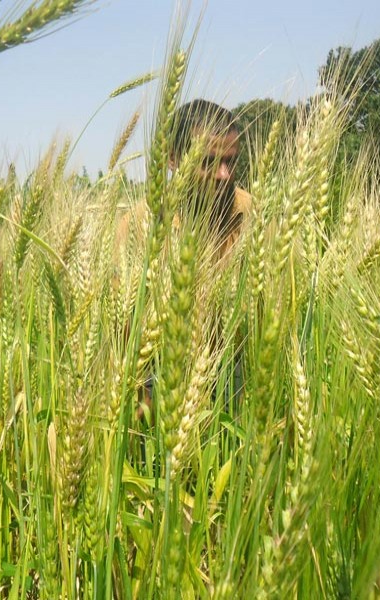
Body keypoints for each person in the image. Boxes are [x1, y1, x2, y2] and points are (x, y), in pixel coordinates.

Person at [114, 99, 252, 419]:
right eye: (209, 161)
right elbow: (124, 333)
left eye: (231, 162)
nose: (223, 175)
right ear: (175, 159)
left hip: (234, 390)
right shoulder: (141, 225)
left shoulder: (253, 216)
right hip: (160, 390)